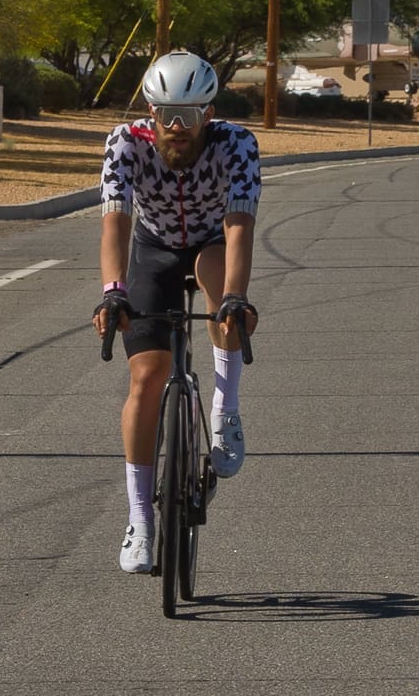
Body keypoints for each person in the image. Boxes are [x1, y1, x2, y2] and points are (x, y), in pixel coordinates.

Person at [92, 51, 261, 574]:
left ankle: (224, 408)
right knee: (147, 377)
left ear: (209, 113)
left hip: (213, 243)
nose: (176, 127)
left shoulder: (237, 144)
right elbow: (115, 222)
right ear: (150, 109)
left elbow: (239, 224)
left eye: (189, 115)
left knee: (222, 290)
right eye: (166, 114)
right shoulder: (125, 143)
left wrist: (236, 295)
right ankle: (140, 520)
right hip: (154, 249)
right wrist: (113, 290)